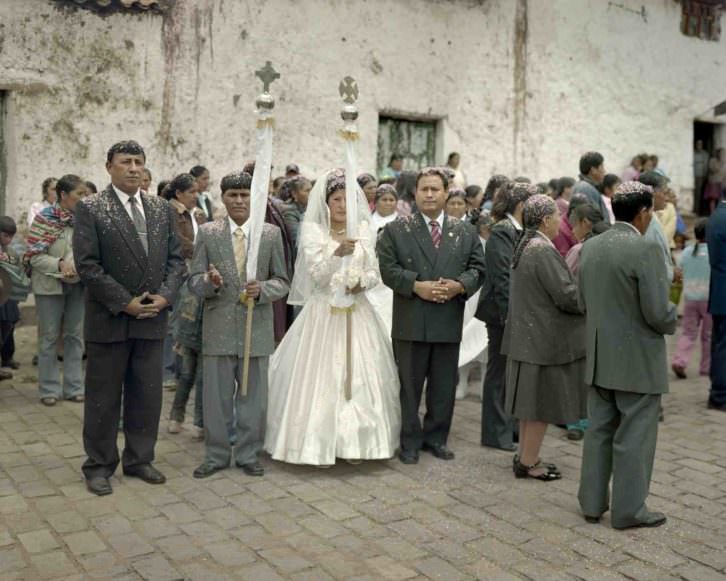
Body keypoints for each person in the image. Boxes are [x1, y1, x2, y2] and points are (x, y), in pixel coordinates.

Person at [73, 140, 186, 496]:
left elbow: (176, 260)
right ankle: (99, 465)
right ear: (109, 167)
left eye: (139, 162)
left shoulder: (160, 208)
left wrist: (165, 296)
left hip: (152, 317)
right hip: (110, 318)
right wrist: (126, 303)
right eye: (125, 162)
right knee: (103, 396)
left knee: (147, 394)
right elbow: (87, 266)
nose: (133, 168)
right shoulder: (91, 208)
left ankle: (139, 458)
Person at [265, 169, 400, 465]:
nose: (342, 205)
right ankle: (316, 443)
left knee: (362, 378)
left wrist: (360, 282)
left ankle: (357, 443)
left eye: (347, 200)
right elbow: (315, 275)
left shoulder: (363, 229)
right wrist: (337, 254)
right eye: (336, 199)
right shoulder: (314, 231)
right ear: (326, 203)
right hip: (323, 313)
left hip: (358, 310)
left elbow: (375, 272)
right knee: (320, 378)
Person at [578, 181, 677, 530]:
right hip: (637, 358)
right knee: (635, 435)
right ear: (644, 212)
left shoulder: (590, 246)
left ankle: (591, 503)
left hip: (600, 354)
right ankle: (629, 510)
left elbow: (581, 302)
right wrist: (672, 314)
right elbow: (657, 312)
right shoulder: (644, 249)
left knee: (599, 431)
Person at [378, 167, 486, 464]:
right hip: (411, 320)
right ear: (414, 193)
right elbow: (387, 269)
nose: (429, 194)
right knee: (410, 387)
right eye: (423, 189)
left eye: (434, 189)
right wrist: (416, 285)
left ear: (446, 193)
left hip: (447, 319)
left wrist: (459, 285)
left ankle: (436, 438)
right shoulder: (397, 229)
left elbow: (479, 268)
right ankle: (409, 442)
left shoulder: (464, 230)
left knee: (443, 386)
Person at [190, 172, 289, 478]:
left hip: (255, 327)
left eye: (245, 195)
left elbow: (283, 281)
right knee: (216, 398)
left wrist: (263, 291)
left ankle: (248, 453)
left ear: (255, 197)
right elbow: (194, 281)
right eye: (233, 195)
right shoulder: (208, 233)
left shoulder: (269, 234)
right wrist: (210, 282)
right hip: (218, 327)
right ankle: (217, 454)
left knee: (253, 398)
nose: (239, 201)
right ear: (223, 197)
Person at [504, 195, 585, 480]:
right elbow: (566, 295)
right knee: (539, 405)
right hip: (542, 339)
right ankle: (529, 462)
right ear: (546, 220)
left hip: (527, 337)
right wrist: (589, 294)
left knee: (529, 405)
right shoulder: (542, 249)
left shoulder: (526, 244)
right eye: (557, 216)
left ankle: (525, 456)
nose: (560, 222)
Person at [475, 181, 536, 451]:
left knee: (511, 374)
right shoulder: (502, 231)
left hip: (514, 312)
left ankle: (510, 427)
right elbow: (502, 277)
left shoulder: (519, 230)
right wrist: (511, 317)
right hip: (502, 313)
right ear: (522, 205)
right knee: (498, 373)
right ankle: (494, 433)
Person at [26, 174, 87, 406]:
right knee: (49, 337)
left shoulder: (86, 220)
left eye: (85, 194)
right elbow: (34, 256)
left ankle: (74, 387)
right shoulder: (44, 218)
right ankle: (49, 388)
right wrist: (60, 264)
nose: (84, 198)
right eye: (79, 194)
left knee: (74, 336)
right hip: (49, 285)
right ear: (63, 195)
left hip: (78, 285)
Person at [672, 219, 711, 380]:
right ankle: (706, 368)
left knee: (688, 333)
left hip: (690, 299)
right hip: (709, 299)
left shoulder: (687, 252)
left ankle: (680, 361)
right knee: (708, 336)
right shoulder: (714, 252)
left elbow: (679, 273)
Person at [707, 189, 726, 411]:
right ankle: (720, 394)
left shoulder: (715, 216)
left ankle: (717, 390)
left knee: (719, 343)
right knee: (723, 346)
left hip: (718, 289)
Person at [639, 172, 675, 283]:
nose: (667, 198)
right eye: (664, 193)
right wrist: (671, 273)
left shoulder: (653, 217)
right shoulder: (643, 221)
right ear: (653, 193)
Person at [0, 218, 23, 380]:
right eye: (5, 236)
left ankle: (7, 357)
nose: (9, 240)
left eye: (11, 236)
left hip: (8, 298)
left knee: (9, 324)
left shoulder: (11, 252)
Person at [161, 173, 201, 261]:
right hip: (178, 266)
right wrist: (203, 253)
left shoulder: (198, 213)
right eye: (192, 192)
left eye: (197, 191)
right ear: (178, 193)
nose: (196, 196)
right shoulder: (168, 212)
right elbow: (179, 242)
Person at [565, 203, 604, 277]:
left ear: (585, 222)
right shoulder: (607, 244)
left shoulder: (578, 250)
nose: (573, 231)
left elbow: (564, 277)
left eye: (574, 225)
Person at [574, 152, 610, 225]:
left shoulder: (585, 186)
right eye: (602, 167)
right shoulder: (586, 189)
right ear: (593, 170)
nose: (604, 171)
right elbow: (593, 220)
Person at [552, 193, 589, 258]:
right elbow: (564, 258)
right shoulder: (561, 230)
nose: (586, 213)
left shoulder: (578, 222)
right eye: (583, 210)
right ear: (573, 210)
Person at [281, 176, 312, 247]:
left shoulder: (307, 207)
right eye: (307, 190)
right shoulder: (289, 212)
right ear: (294, 194)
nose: (311, 193)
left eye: (311, 190)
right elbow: (298, 240)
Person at [705, 148, 725, 215]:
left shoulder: (723, 161)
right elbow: (712, 169)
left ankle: (719, 213)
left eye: (722, 153)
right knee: (713, 198)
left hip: (721, 182)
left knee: (721, 199)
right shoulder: (712, 160)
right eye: (720, 153)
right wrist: (720, 164)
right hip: (713, 182)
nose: (721, 155)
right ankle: (712, 213)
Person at [694, 140, 710, 215]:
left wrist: (705, 175)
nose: (699, 145)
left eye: (700, 144)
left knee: (703, 194)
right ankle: (696, 210)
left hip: (702, 176)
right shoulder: (693, 153)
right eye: (698, 144)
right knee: (696, 194)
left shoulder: (705, 154)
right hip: (695, 176)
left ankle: (701, 211)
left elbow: (706, 166)